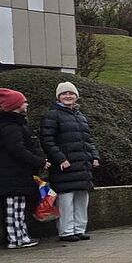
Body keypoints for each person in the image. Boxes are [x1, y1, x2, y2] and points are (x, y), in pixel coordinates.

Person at [0, 89, 48, 249]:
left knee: (17, 207)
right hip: (12, 175)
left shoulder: (12, 124)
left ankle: (20, 236)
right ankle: (16, 238)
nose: (26, 104)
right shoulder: (11, 127)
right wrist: (39, 161)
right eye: (23, 102)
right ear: (16, 106)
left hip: (14, 175)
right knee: (15, 208)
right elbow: (18, 150)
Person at [41, 81, 99, 242]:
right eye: (64, 94)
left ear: (76, 96)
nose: (68, 96)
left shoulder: (80, 116)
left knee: (82, 199)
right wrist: (60, 158)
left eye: (71, 93)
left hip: (82, 165)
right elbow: (47, 140)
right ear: (58, 97)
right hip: (65, 166)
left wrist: (94, 156)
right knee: (66, 200)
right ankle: (66, 231)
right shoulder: (53, 115)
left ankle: (79, 229)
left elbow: (88, 140)